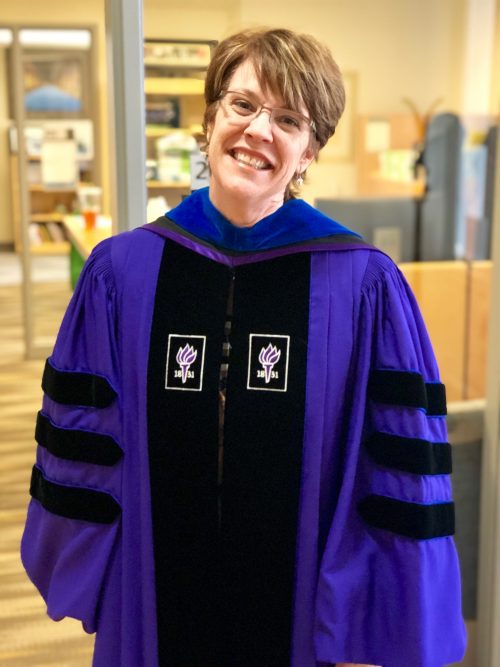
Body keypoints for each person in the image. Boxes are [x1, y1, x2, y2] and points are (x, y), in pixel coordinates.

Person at [21, 28, 466, 667]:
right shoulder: (122, 273)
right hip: (153, 603)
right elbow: (80, 448)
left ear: (310, 150)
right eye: (244, 105)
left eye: (288, 119)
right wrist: (98, 567)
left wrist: (365, 607)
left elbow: (391, 464)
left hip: (300, 616)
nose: (260, 130)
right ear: (210, 120)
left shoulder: (364, 284)